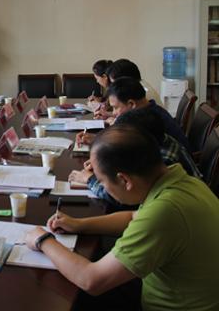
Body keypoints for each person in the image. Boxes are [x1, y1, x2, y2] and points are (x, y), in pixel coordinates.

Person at [26, 126, 219, 311]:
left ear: (125, 180)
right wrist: (80, 225)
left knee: (65, 294)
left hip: (168, 306)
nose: (102, 186)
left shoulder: (164, 212)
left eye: (101, 181)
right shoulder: (181, 181)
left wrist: (43, 240)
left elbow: (91, 280)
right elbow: (133, 217)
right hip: (172, 289)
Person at [69, 107, 201, 206]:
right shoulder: (160, 140)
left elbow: (128, 199)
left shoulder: (165, 161)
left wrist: (91, 179)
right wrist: (103, 162)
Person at [77, 77, 189, 151]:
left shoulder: (146, 121)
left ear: (131, 104)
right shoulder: (150, 110)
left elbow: (127, 148)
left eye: (115, 108)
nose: (114, 113)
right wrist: (97, 139)